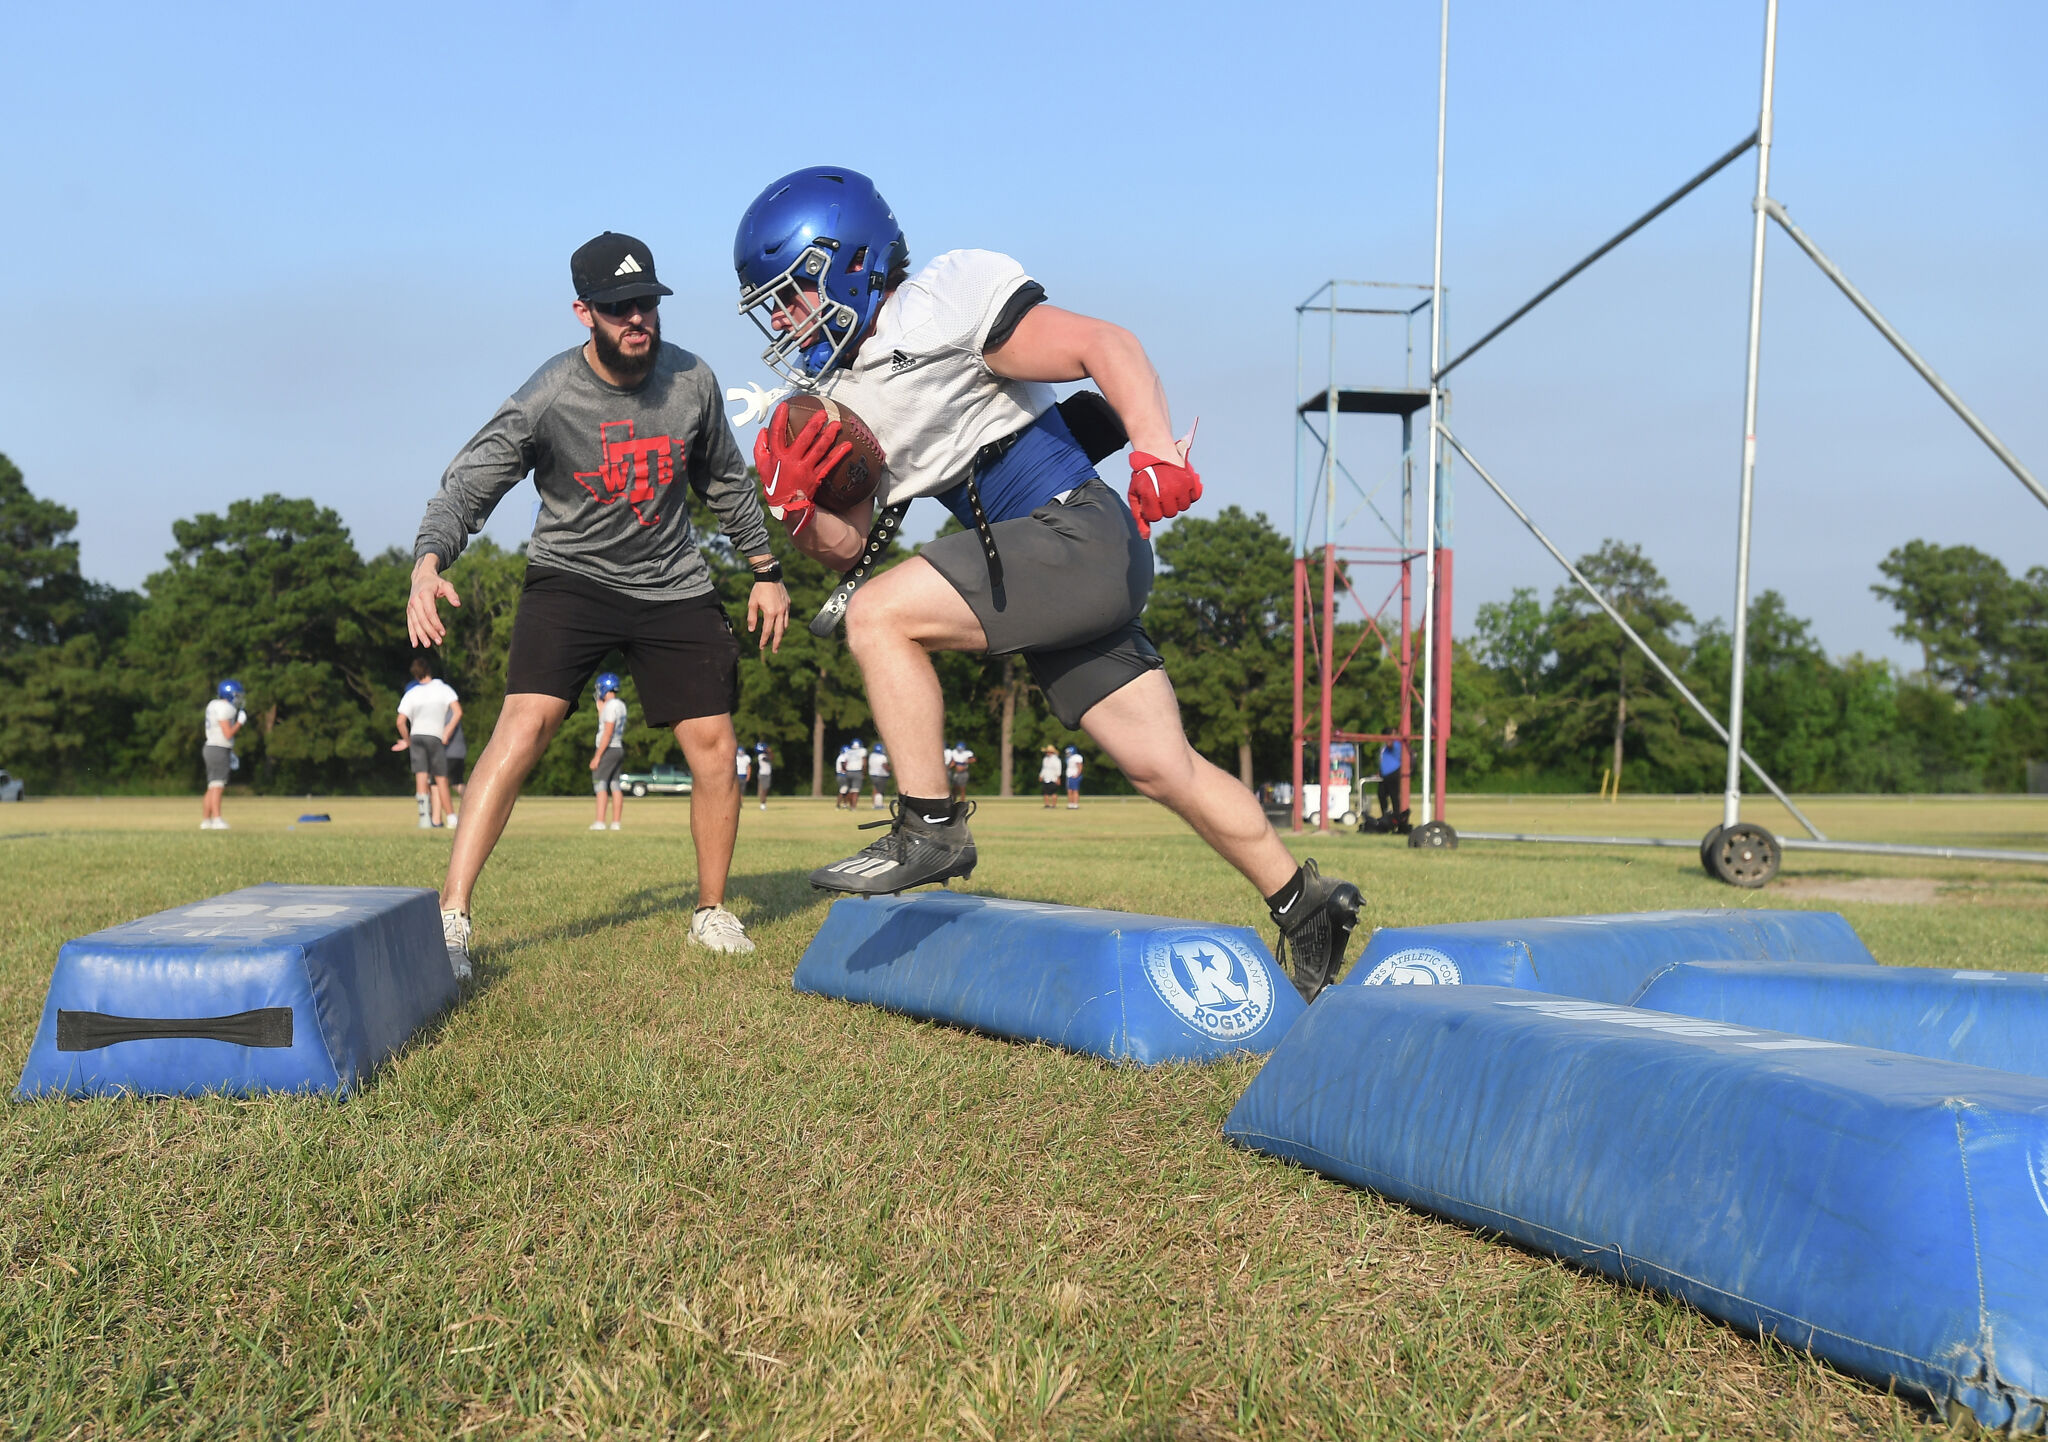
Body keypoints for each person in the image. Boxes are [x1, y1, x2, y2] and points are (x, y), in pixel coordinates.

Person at [734, 167, 1363, 999]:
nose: (781, 318)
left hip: (1076, 530)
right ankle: (1305, 902)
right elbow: (846, 549)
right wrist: (793, 510)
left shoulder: (939, 302)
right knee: (1160, 763)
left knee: (880, 618)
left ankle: (930, 827)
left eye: (788, 294)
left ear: (845, 262)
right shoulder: (837, 397)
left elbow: (1106, 346)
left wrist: (1156, 446)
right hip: (1037, 560)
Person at [407, 230, 791, 978]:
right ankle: (451, 915)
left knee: (715, 744)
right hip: (572, 577)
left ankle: (711, 911)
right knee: (526, 725)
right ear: (584, 312)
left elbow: (726, 481)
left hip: (672, 582)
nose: (637, 319)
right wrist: (428, 564)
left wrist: (765, 568)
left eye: (645, 302)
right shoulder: (550, 393)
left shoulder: (693, 382)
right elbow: (468, 485)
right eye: (619, 308)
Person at [394, 659, 462, 829]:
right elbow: (458, 711)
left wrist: (408, 740)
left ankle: (424, 819)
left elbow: (400, 721)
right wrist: (448, 730)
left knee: (421, 776)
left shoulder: (412, 693)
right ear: (429, 670)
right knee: (441, 778)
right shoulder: (443, 689)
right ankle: (452, 817)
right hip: (434, 736)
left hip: (416, 736)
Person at [200, 679, 244, 830]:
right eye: (236, 695)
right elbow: (228, 733)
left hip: (210, 747)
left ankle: (206, 820)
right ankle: (217, 819)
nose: (238, 698)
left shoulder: (213, 704)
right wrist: (240, 723)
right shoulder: (226, 708)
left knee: (212, 786)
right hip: (219, 748)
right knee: (218, 785)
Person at [590, 672, 629, 831]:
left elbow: (607, 731)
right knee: (615, 784)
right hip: (618, 747)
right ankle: (616, 823)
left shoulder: (611, 706)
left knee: (600, 784)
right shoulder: (620, 705)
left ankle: (600, 822)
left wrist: (597, 756)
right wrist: (600, 710)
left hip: (608, 749)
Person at [443, 719, 468, 828]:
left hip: (450, 753)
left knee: (440, 783)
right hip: (458, 752)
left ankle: (447, 818)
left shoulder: (449, 711)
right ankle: (474, 801)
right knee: (457, 783)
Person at [1377, 739, 1403, 820]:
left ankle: (1397, 816)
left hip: (1394, 774)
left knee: (1394, 796)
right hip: (1384, 775)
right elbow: (1382, 760)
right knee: (1381, 794)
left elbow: (1392, 747)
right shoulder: (1383, 748)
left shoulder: (1397, 745)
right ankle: (1385, 815)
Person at [842, 736, 869, 810]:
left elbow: (844, 763)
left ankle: (849, 805)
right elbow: (864, 763)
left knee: (850, 790)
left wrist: (845, 771)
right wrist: (864, 773)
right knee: (855, 791)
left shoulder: (848, 751)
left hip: (848, 771)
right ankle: (853, 807)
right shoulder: (863, 750)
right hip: (857, 771)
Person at [945, 739, 974, 805]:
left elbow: (973, 759)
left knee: (962, 788)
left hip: (964, 772)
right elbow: (952, 762)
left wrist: (966, 761)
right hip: (956, 773)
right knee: (954, 788)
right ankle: (953, 802)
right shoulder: (954, 752)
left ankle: (962, 802)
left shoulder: (967, 753)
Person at [867, 741, 891, 809]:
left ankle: (874, 803)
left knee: (875, 789)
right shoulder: (883, 757)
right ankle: (878, 805)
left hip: (872, 775)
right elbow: (885, 766)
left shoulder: (872, 755)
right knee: (880, 791)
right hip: (881, 775)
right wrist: (890, 770)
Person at [1038, 744, 1061, 809]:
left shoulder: (1056, 760)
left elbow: (1058, 769)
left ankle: (1054, 805)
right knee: (1045, 792)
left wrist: (1058, 778)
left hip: (1053, 778)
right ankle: (1047, 805)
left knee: (1053, 792)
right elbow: (1044, 768)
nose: (1047, 753)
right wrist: (1041, 775)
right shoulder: (1045, 759)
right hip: (1046, 777)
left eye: (1049, 751)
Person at [754, 741, 772, 810]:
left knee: (766, 789)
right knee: (764, 790)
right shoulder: (761, 756)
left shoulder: (766, 755)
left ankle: (763, 803)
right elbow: (770, 758)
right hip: (763, 774)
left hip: (767, 774)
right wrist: (769, 752)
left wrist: (769, 752)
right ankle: (762, 804)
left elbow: (772, 757)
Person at [1065, 745, 1084, 810]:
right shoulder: (1069, 758)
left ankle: (1075, 804)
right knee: (1069, 791)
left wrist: (1077, 774)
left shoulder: (1077, 757)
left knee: (1075, 790)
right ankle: (1071, 804)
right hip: (1069, 775)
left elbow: (1080, 766)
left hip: (1074, 775)